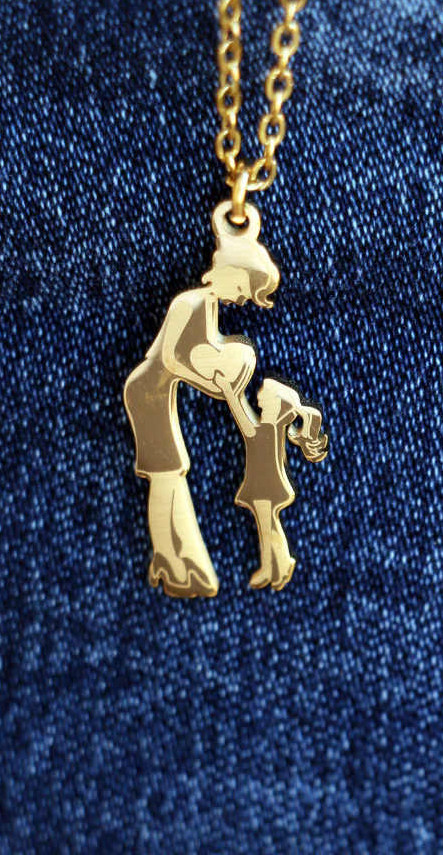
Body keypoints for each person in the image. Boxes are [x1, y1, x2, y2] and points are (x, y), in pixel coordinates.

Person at [123, 202, 279, 598]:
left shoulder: (209, 308)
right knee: (166, 470)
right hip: (147, 391)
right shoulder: (190, 302)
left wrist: (224, 388)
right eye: (243, 291)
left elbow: (200, 363)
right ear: (230, 273)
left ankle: (176, 558)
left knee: (173, 469)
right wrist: (212, 383)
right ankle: (168, 557)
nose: (241, 301)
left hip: (161, 391)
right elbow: (171, 358)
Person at [217, 376, 328, 591]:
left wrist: (230, 392)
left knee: (267, 525)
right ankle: (279, 563)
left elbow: (243, 421)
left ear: (275, 406)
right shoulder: (273, 427)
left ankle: (272, 565)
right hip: (267, 483)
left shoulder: (267, 428)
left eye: (264, 395)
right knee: (268, 524)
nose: (258, 397)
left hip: (265, 484)